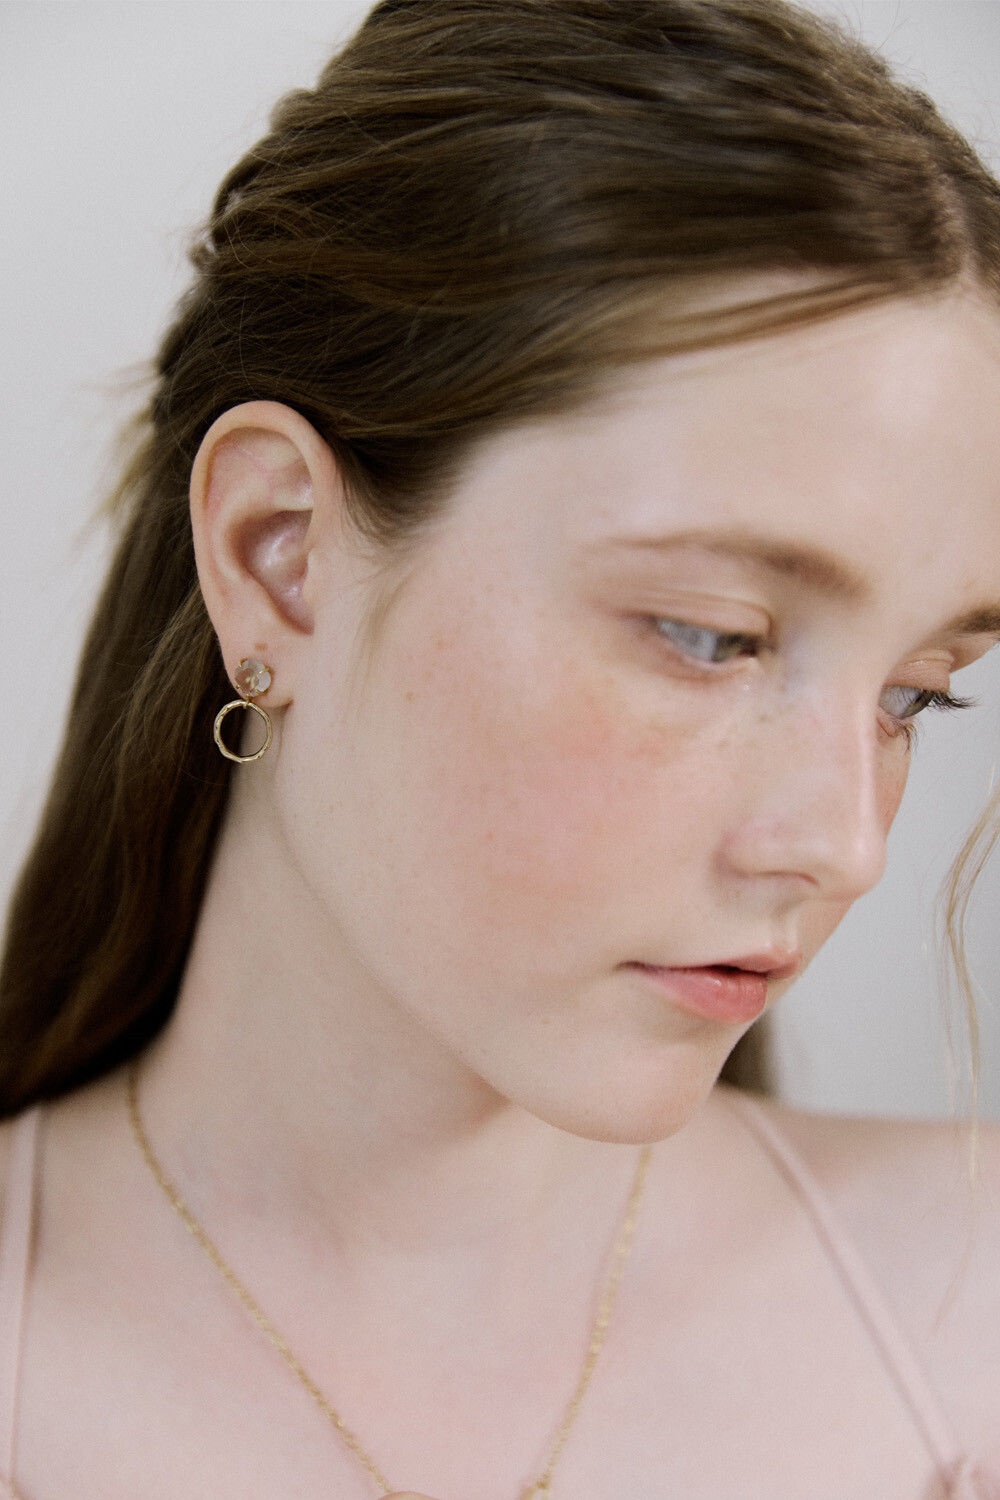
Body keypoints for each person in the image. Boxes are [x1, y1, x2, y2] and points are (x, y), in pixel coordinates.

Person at [1, 0, 1000, 1494]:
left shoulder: (970, 1323)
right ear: (281, 555)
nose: (845, 845)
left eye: (916, 692)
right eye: (711, 636)